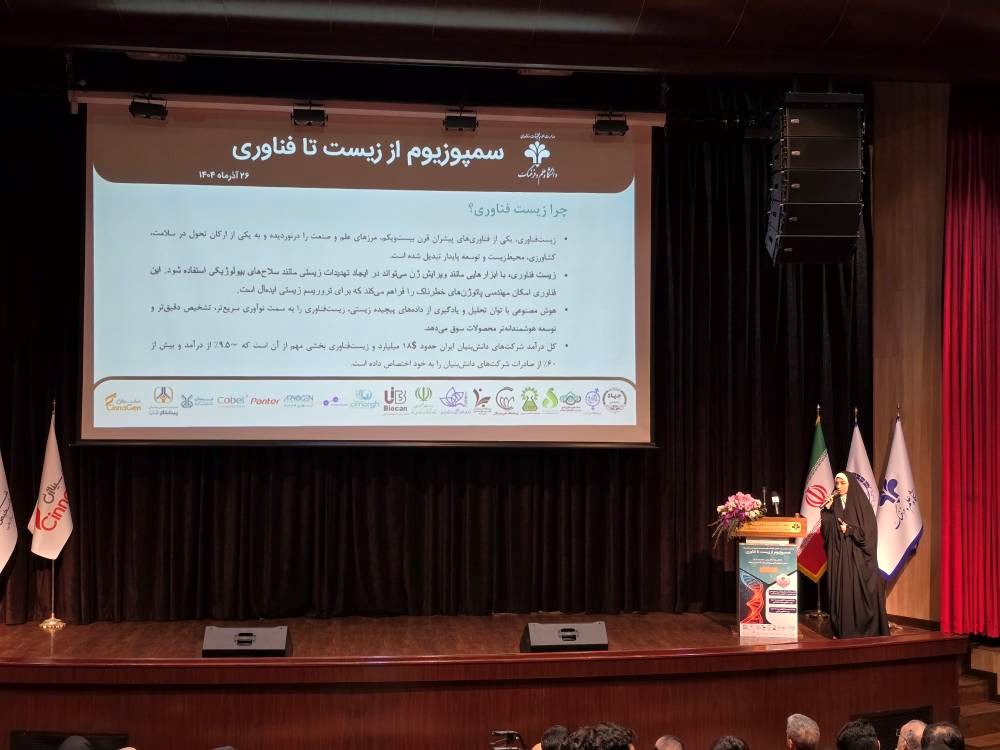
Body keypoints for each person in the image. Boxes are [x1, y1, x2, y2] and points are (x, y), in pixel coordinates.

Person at [820, 472, 889, 637]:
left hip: (858, 557)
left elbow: (869, 534)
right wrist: (828, 511)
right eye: (836, 483)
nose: (838, 486)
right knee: (842, 592)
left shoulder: (861, 504)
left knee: (859, 593)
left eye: (842, 483)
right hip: (840, 557)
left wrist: (850, 530)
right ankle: (843, 629)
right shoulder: (834, 502)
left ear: (850, 484)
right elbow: (827, 532)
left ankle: (866, 629)